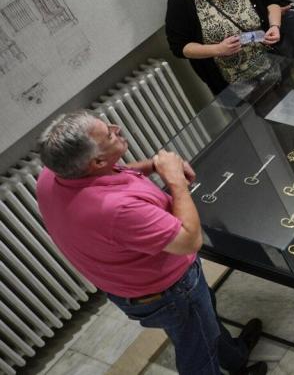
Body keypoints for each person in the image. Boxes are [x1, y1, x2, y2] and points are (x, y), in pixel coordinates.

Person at [36, 112, 266, 375]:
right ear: (97, 160)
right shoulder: (117, 209)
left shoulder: (52, 175)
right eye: (109, 134)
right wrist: (175, 180)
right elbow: (190, 240)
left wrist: (154, 165)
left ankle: (235, 358)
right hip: (170, 290)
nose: (117, 128)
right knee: (198, 353)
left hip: (132, 287)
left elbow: (107, 174)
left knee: (204, 325)